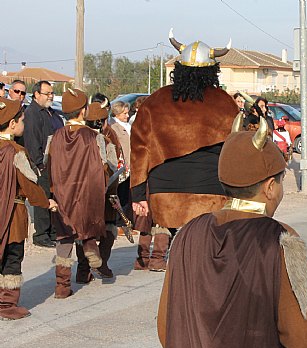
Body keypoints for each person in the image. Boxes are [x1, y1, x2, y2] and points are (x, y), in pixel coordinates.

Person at [157, 115, 307, 348]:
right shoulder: (282, 240)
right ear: (270, 187)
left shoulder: (188, 234)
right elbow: (301, 329)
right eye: (281, 181)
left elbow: (168, 325)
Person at [130, 30, 238, 228]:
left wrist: (137, 194)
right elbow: (235, 151)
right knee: (206, 249)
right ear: (212, 71)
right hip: (211, 192)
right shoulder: (225, 103)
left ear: (179, 69)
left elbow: (140, 150)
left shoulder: (154, 101)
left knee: (171, 248)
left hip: (164, 195)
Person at [47, 88, 117, 298]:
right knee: (87, 227)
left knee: (64, 238)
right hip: (86, 194)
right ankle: (90, 249)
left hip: (61, 194)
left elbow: (46, 165)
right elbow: (104, 166)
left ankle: (62, 287)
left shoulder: (54, 137)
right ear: (83, 110)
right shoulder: (93, 137)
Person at [0, 98, 55, 319]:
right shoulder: (16, 151)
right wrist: (46, 202)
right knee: (12, 257)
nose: (24, 123)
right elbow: (30, 185)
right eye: (22, 120)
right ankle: (6, 305)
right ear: (12, 124)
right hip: (12, 215)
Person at [77, 100, 121, 282]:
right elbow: (110, 167)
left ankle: (82, 271)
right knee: (108, 227)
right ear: (102, 122)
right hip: (104, 191)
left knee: (84, 230)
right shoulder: (106, 140)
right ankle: (101, 264)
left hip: (81, 194)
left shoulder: (76, 139)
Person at [23, 80, 64, 248]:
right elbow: (32, 141)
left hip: (54, 162)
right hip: (41, 164)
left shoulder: (51, 112)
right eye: (47, 93)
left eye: (52, 93)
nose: (51, 96)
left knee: (53, 197)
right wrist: (39, 164)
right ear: (37, 94)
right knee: (43, 196)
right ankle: (41, 233)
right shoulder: (32, 113)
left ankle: (53, 231)